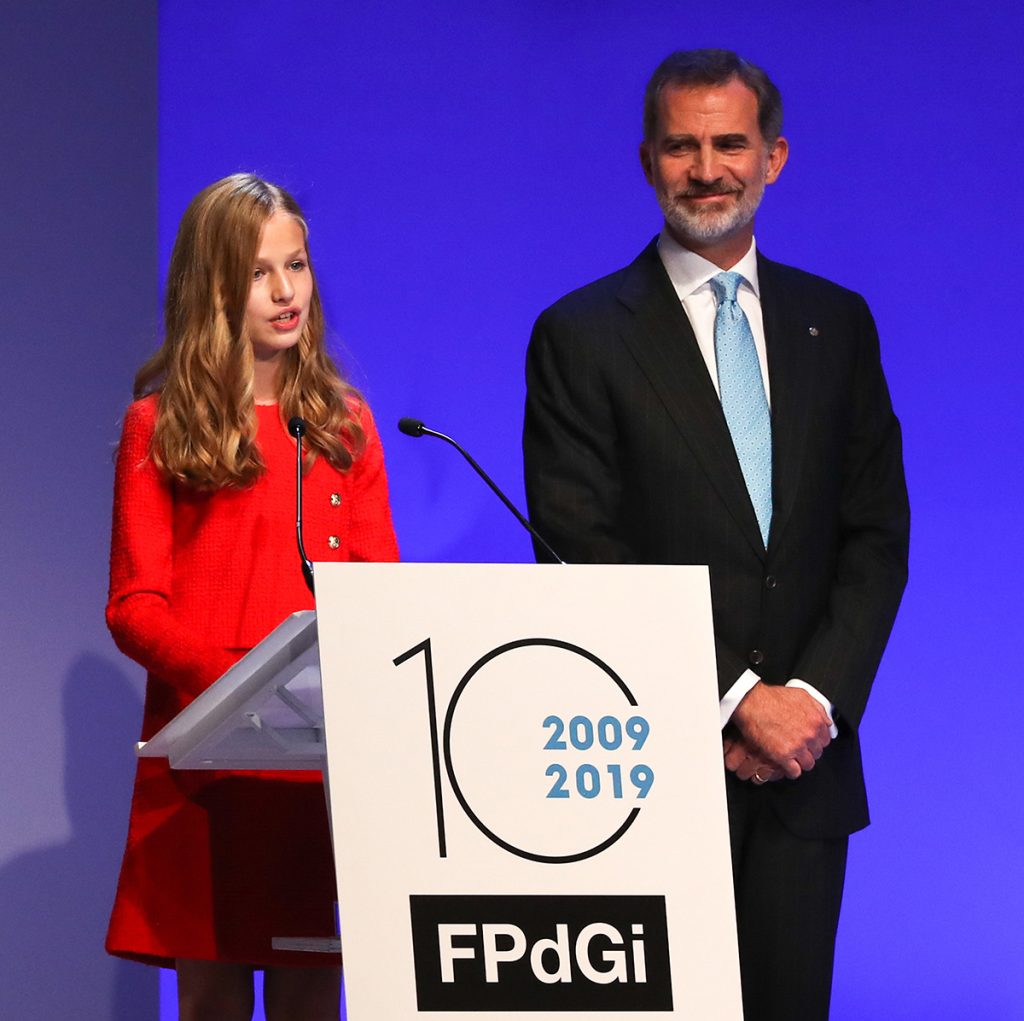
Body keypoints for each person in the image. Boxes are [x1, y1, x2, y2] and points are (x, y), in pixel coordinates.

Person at [523, 49, 909, 1020]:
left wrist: (811, 700)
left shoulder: (838, 323)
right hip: (649, 766)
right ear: (646, 160)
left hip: (802, 775)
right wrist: (734, 699)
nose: (707, 168)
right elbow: (578, 550)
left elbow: (875, 535)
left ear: (773, 156)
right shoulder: (580, 335)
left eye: (729, 143)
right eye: (681, 146)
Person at [105, 173, 399, 1020]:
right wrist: (245, 688)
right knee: (212, 1001)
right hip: (208, 760)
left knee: (314, 994)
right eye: (259, 271)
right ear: (214, 288)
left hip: (319, 767)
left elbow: (379, 596)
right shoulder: (160, 425)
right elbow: (135, 603)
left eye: (297, 266)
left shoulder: (346, 426)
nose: (285, 291)